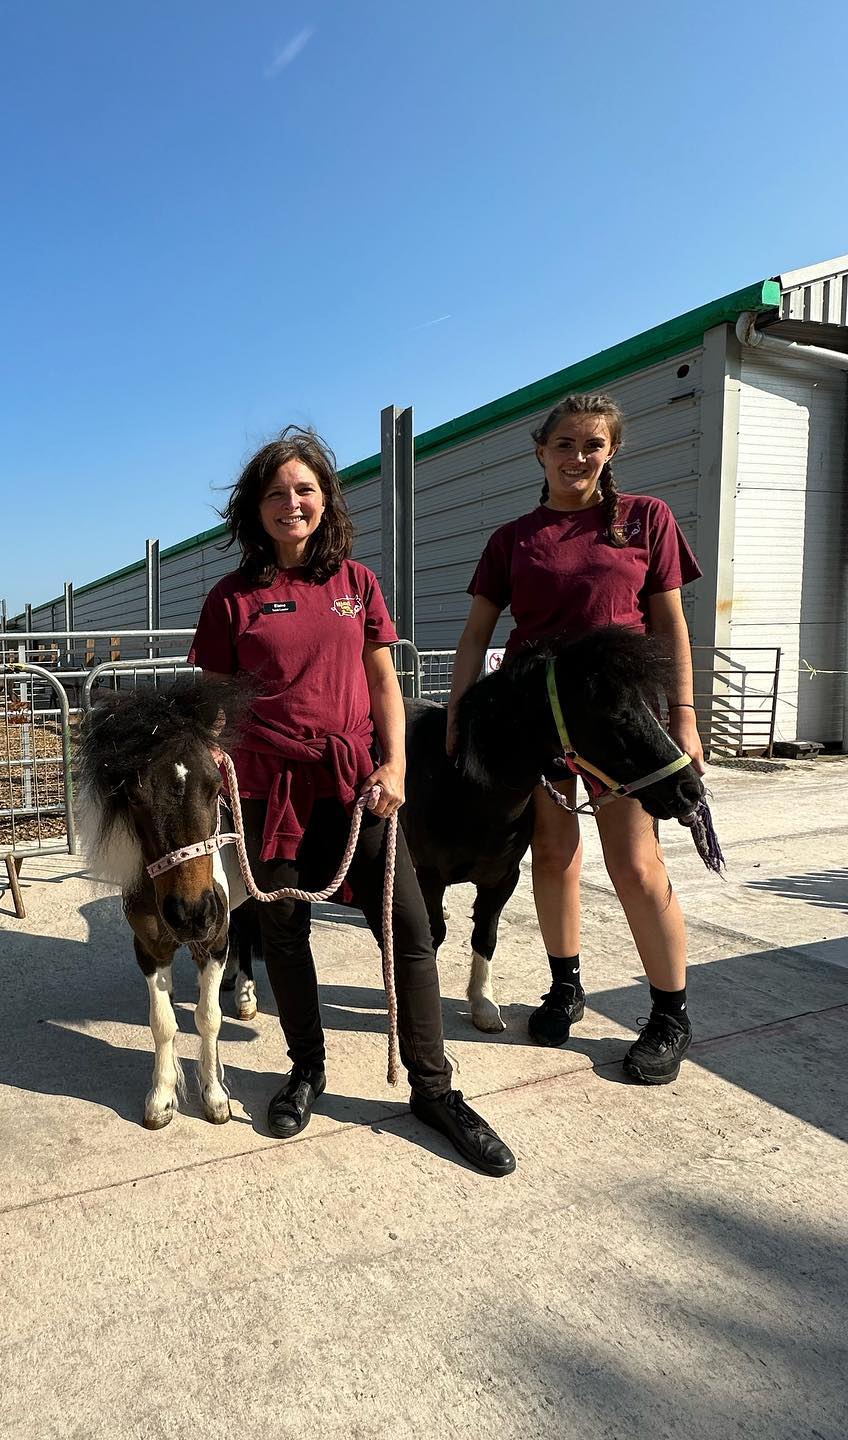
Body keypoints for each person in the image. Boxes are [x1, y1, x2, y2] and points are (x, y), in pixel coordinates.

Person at [190, 426, 515, 1176]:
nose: (291, 503)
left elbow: (381, 684)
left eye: (304, 489)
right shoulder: (233, 597)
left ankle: (435, 1090)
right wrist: (212, 758)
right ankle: (307, 1069)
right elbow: (212, 700)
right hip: (271, 790)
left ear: (326, 500)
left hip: (356, 783)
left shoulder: (357, 585)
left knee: (409, 928)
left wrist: (397, 764)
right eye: (276, 493)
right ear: (256, 508)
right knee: (283, 935)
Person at [447, 392, 705, 1083]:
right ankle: (565, 985)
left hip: (619, 719)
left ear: (611, 451)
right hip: (541, 719)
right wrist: (458, 713)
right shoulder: (513, 539)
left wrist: (684, 713)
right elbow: (476, 635)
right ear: (540, 451)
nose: (578, 457)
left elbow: (671, 626)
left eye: (592, 444)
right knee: (554, 853)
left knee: (634, 862)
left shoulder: (645, 520)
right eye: (564, 444)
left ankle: (669, 1011)